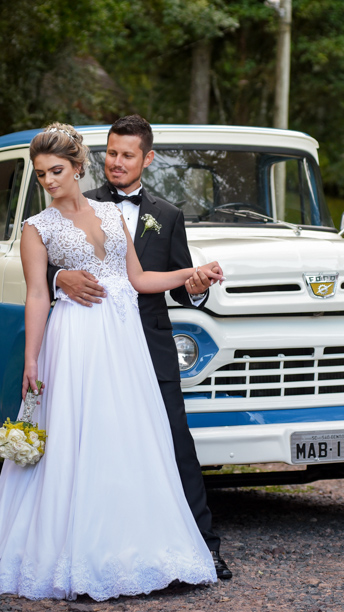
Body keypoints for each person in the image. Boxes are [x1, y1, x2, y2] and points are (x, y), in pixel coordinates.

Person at [0, 123, 224, 601]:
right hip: (78, 338)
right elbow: (36, 293)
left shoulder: (112, 213)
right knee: (81, 437)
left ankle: (138, 551)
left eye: (56, 171)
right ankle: (71, 552)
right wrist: (31, 360)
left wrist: (192, 272)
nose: (50, 181)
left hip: (127, 344)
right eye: (41, 175)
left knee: (135, 441)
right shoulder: (38, 227)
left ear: (77, 167)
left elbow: (139, 278)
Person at [46, 115, 231, 581]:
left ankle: (202, 548)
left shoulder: (167, 215)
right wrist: (58, 278)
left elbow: (179, 283)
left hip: (149, 345)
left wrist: (198, 282)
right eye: (110, 153)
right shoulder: (75, 202)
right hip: (91, 347)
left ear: (146, 159)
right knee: (98, 443)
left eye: (127, 155)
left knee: (174, 444)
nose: (117, 162)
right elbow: (42, 266)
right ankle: (94, 547)